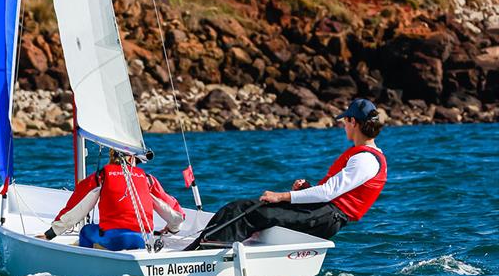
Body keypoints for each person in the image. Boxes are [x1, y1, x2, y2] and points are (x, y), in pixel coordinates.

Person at [186, 98, 387, 250]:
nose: (343, 125)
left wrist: (280, 196)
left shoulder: (366, 160)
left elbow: (328, 193)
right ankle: (198, 248)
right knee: (238, 207)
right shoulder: (363, 156)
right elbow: (331, 193)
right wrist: (307, 190)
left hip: (326, 218)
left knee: (251, 213)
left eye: (345, 121)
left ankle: (205, 255)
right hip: (321, 211)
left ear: (353, 121)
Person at [39, 151, 185, 251]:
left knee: (86, 230)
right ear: (133, 159)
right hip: (143, 240)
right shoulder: (148, 180)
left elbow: (77, 209)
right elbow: (177, 215)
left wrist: (50, 234)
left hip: (115, 240)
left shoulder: (102, 176)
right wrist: (172, 229)